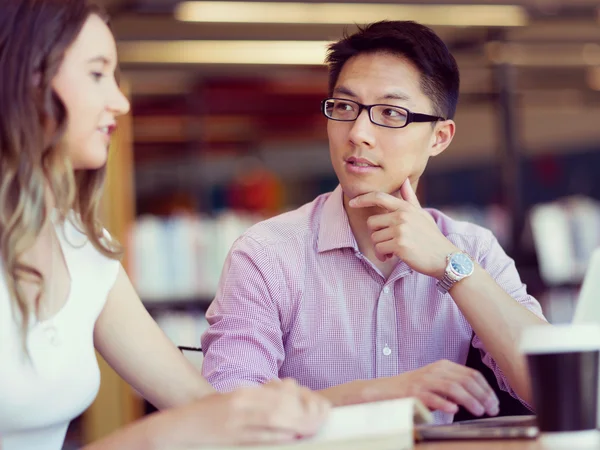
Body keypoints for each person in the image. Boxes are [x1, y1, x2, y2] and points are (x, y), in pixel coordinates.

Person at [0, 1, 329, 449]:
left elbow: (197, 402)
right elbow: (185, 423)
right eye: (97, 74)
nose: (120, 101)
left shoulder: (85, 250)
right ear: (25, 80)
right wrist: (153, 438)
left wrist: (279, 408)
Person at [200, 20, 548, 424]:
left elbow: (552, 387)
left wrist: (452, 266)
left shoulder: (470, 247)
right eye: (345, 107)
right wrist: (382, 393)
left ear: (440, 137)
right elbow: (228, 414)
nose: (359, 133)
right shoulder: (267, 254)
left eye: (390, 112)